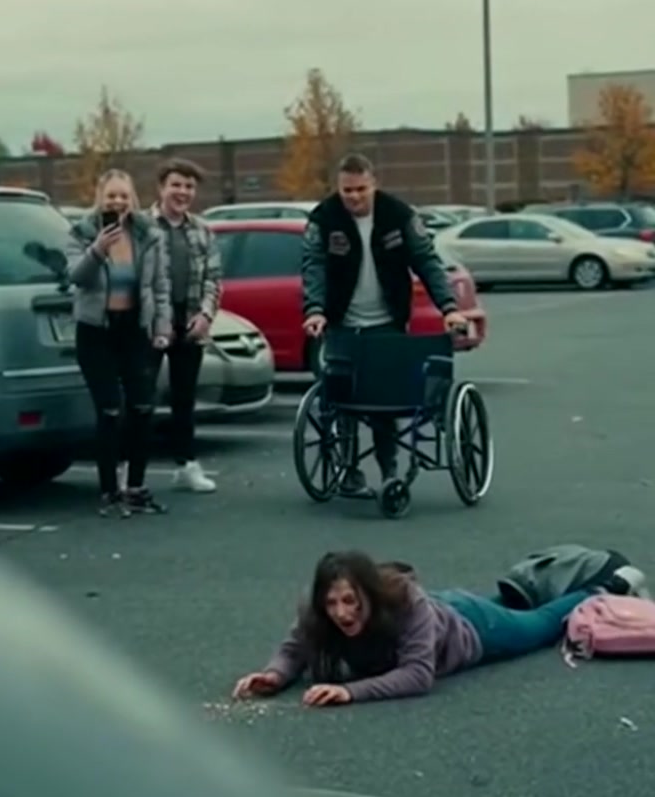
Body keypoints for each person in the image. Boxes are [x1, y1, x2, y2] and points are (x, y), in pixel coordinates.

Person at [302, 153, 470, 496]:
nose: (354, 197)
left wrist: (449, 308)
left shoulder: (399, 215)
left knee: (383, 404)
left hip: (386, 322)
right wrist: (315, 309)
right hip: (342, 322)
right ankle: (349, 472)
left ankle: (389, 472)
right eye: (347, 190)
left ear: (373, 184)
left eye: (361, 189)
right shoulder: (324, 218)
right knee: (342, 400)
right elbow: (314, 265)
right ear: (338, 187)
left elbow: (426, 261)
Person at [232, 551, 590, 707]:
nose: (341, 613)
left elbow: (418, 675)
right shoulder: (318, 609)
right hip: (439, 611)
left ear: (369, 595)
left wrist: (349, 692)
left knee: (539, 627)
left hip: (471, 626)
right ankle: (521, 589)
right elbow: (295, 648)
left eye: (351, 601)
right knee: (506, 605)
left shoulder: (405, 601)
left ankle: (598, 588)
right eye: (332, 603)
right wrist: (274, 676)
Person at [68, 168, 171, 517]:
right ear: (100, 197)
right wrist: (98, 249)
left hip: (133, 329)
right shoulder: (82, 232)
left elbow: (160, 285)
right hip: (95, 330)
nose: (117, 202)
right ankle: (109, 492)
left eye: (123, 196)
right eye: (111, 195)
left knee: (142, 407)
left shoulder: (147, 234)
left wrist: (162, 326)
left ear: (132, 199)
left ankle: (136, 488)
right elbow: (77, 277)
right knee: (110, 410)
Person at [150, 159, 222, 493]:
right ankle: (129, 469)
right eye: (176, 185)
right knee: (141, 398)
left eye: (189, 186)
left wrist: (205, 315)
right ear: (161, 188)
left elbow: (213, 278)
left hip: (189, 322)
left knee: (184, 400)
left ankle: (186, 465)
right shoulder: (142, 227)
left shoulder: (203, 230)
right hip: (151, 324)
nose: (183, 192)